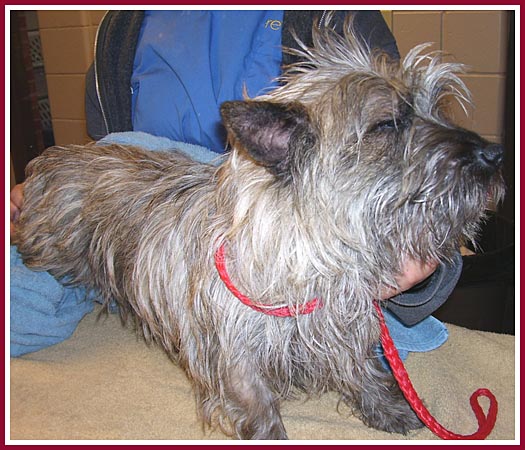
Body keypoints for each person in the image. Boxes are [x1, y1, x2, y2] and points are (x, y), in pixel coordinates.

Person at [10, 10, 459, 359]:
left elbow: (409, 173)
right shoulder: (120, 30)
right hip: (146, 232)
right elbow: (108, 153)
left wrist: (419, 266)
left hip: (284, 244)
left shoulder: (332, 18)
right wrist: (44, 197)